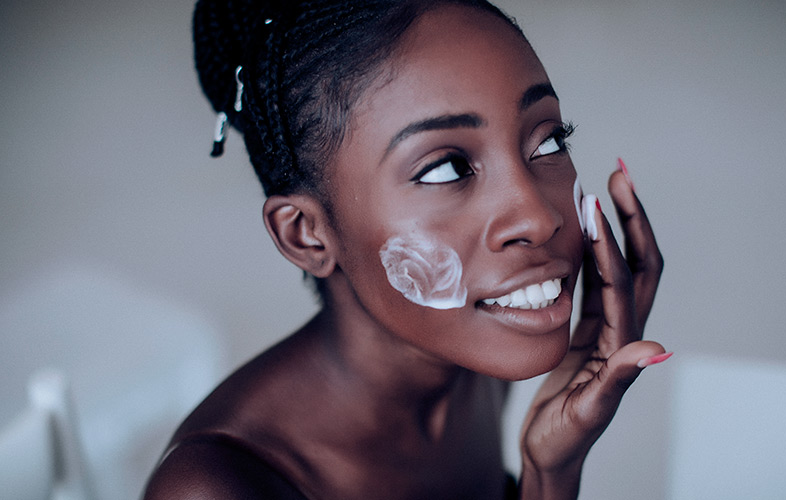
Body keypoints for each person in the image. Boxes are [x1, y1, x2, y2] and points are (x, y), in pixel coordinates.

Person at [143, 0, 668, 498]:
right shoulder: (219, 486)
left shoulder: (470, 366)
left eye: (549, 140)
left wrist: (551, 470)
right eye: (445, 169)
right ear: (306, 233)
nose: (538, 216)